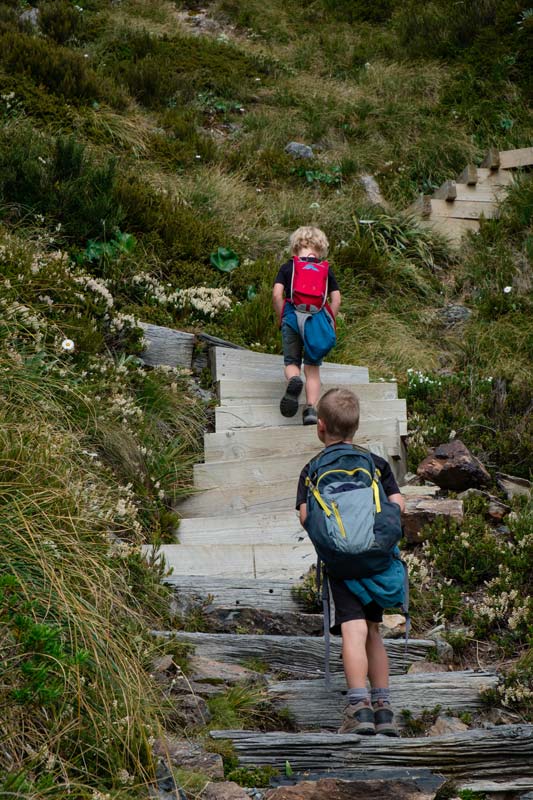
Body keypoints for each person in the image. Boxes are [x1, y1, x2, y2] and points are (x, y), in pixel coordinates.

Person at [296, 388, 406, 736]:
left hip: (341, 566)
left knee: (352, 629)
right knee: (373, 630)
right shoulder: (374, 463)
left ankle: (359, 708)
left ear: (320, 426)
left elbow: (304, 516)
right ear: (356, 428)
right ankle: (384, 708)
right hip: (376, 561)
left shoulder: (312, 469)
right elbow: (399, 504)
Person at [273, 226, 341, 426]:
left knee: (292, 362)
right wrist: (328, 321)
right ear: (321, 249)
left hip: (292, 318)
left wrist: (283, 317)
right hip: (315, 322)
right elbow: (336, 299)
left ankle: (294, 379)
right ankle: (310, 409)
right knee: (312, 369)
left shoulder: (289, 267)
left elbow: (277, 294)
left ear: (295, 248)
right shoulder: (325, 270)